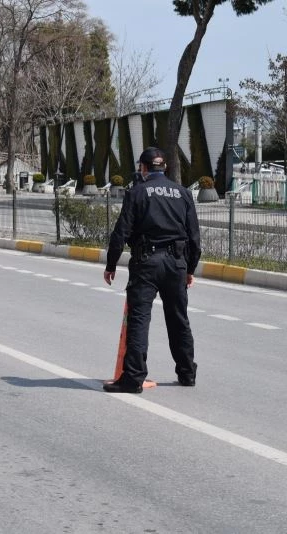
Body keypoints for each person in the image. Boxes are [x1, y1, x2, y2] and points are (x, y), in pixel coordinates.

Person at [102, 147, 202, 394]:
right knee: (179, 319)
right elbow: (194, 237)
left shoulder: (137, 193)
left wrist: (111, 264)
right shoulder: (183, 193)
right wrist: (190, 268)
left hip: (146, 262)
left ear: (143, 168)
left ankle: (132, 379)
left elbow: (121, 233)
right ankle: (187, 373)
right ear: (164, 167)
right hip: (176, 263)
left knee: (139, 319)